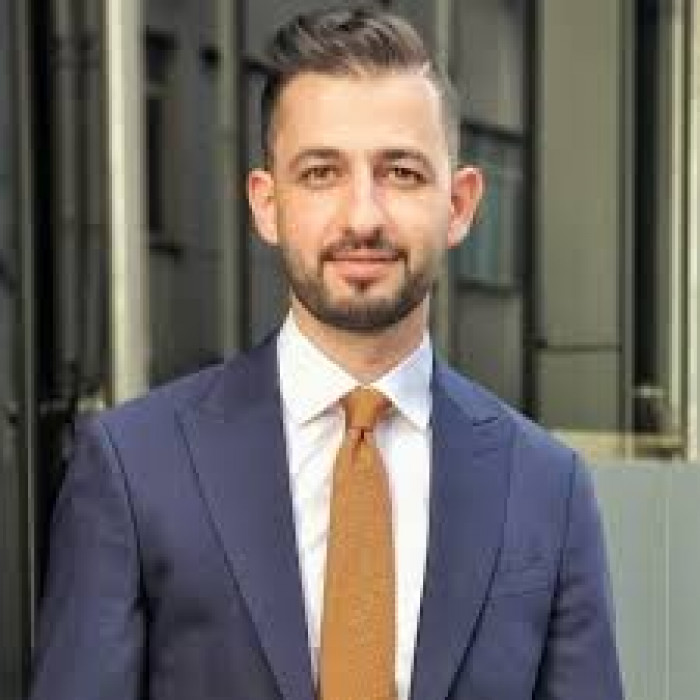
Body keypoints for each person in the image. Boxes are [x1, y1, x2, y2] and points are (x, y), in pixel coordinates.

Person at [30, 6, 625, 700]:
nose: (363, 216)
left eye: (401, 172)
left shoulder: (547, 488)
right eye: (321, 173)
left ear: (460, 203)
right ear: (267, 203)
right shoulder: (135, 469)